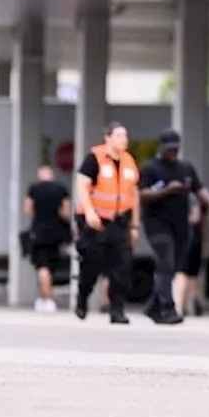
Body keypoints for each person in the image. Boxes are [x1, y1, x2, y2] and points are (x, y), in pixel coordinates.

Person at [139, 128, 209, 324]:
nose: (173, 153)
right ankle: (168, 308)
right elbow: (141, 195)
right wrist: (166, 191)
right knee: (165, 262)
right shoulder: (150, 168)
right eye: (169, 149)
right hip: (157, 224)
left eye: (176, 149)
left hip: (181, 226)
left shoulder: (186, 168)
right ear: (161, 149)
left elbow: (199, 189)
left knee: (172, 267)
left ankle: (152, 307)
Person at [74, 122, 141, 324]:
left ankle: (117, 310)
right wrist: (89, 212)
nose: (124, 139)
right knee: (91, 263)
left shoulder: (129, 161)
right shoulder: (94, 158)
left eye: (125, 135)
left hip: (119, 222)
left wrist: (135, 225)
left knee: (121, 266)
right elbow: (82, 185)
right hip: (95, 222)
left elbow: (134, 194)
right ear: (108, 138)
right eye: (119, 135)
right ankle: (83, 298)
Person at [24, 164, 71, 312]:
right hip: (55, 232)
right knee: (50, 267)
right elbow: (66, 212)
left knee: (42, 267)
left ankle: (47, 299)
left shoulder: (33, 188)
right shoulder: (61, 189)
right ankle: (45, 298)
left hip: (38, 231)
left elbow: (27, 209)